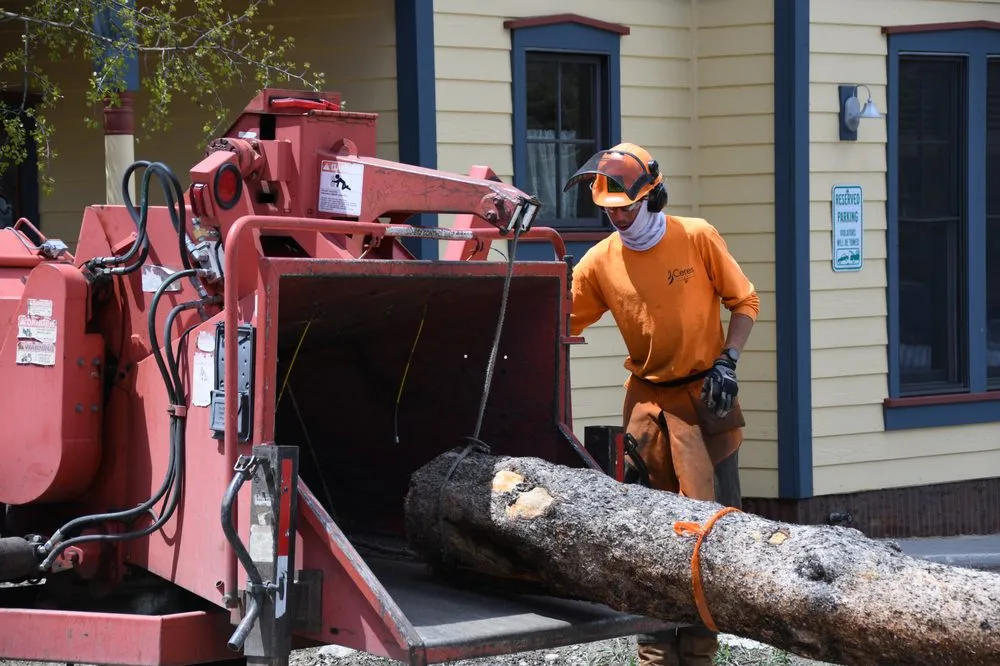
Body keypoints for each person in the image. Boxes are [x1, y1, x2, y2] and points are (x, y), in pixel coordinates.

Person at [562, 142, 759, 666]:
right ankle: (653, 650)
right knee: (648, 529)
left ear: (652, 196)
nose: (619, 218)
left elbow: (745, 302)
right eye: (609, 211)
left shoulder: (696, 237)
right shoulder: (601, 262)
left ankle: (700, 651)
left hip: (706, 393)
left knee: (711, 529)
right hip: (646, 399)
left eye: (625, 208)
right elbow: (562, 321)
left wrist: (728, 361)